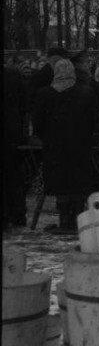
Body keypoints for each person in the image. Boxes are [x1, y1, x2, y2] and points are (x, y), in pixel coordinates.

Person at [31, 58, 98, 231]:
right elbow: (93, 122)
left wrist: (47, 136)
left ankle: (64, 220)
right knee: (77, 182)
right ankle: (77, 218)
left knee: (60, 184)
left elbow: (37, 123)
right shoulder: (87, 92)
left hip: (54, 146)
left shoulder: (44, 93)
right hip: (79, 145)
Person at [3, 63, 29, 228]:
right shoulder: (13, 75)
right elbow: (23, 105)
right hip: (11, 130)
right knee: (13, 174)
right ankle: (17, 214)